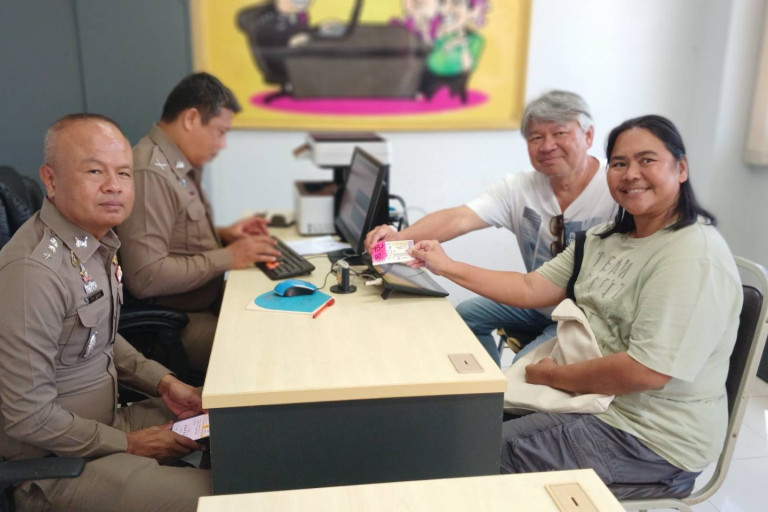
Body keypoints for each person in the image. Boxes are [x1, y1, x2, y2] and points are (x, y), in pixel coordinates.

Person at [407, 114, 743, 498]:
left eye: (647, 160)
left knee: (465, 456)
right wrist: (445, 265)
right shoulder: (603, 239)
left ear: (681, 169)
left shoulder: (691, 255)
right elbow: (531, 287)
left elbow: (645, 371)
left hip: (648, 437)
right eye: (619, 163)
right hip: (590, 399)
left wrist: (554, 377)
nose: (631, 174)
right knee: (453, 424)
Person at [0, 114, 211, 511]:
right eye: (95, 171)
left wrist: (164, 383)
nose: (114, 185)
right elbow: (29, 417)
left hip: (106, 425)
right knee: (222, 497)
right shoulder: (33, 272)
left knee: (229, 424)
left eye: (124, 173)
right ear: (50, 179)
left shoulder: (94, 244)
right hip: (54, 466)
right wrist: (130, 444)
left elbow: (101, 336)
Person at [365, 90, 617, 366]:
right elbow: (460, 218)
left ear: (588, 135)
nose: (547, 146)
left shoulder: (616, 187)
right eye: (536, 137)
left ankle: (507, 390)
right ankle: (490, 384)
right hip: (537, 303)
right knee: (467, 315)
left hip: (585, 317)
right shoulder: (519, 188)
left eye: (559, 133)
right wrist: (398, 237)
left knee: (523, 367)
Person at [117, 72, 280, 373]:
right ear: (191, 119)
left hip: (203, 303)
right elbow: (145, 277)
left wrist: (224, 235)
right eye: (219, 132)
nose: (223, 144)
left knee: (278, 317)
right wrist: (229, 257)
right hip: (175, 323)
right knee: (265, 350)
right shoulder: (151, 173)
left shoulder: (176, 163)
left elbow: (173, 235)